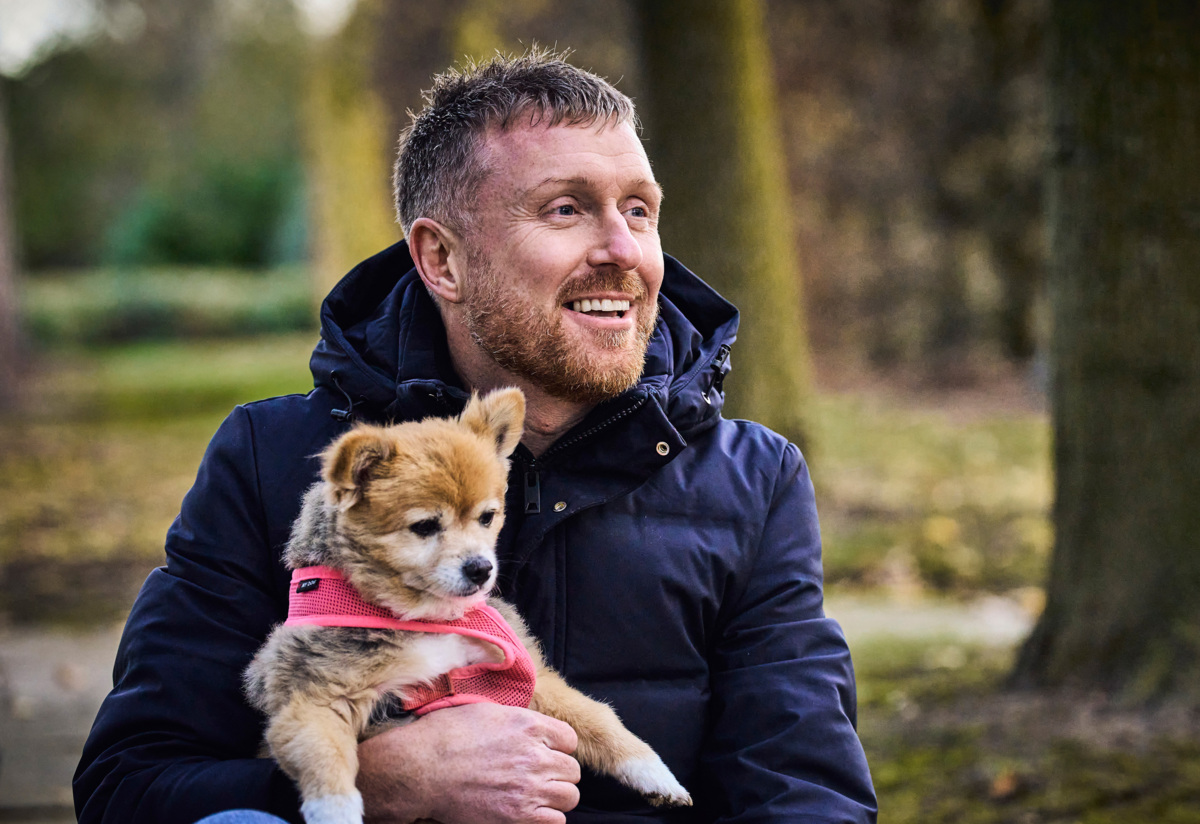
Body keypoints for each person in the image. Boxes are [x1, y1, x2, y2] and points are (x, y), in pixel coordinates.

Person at [74, 51, 877, 824]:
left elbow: (804, 790)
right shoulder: (271, 458)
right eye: (566, 209)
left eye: (639, 210)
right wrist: (388, 782)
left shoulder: (752, 480)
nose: (623, 251)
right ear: (442, 261)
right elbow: (129, 785)